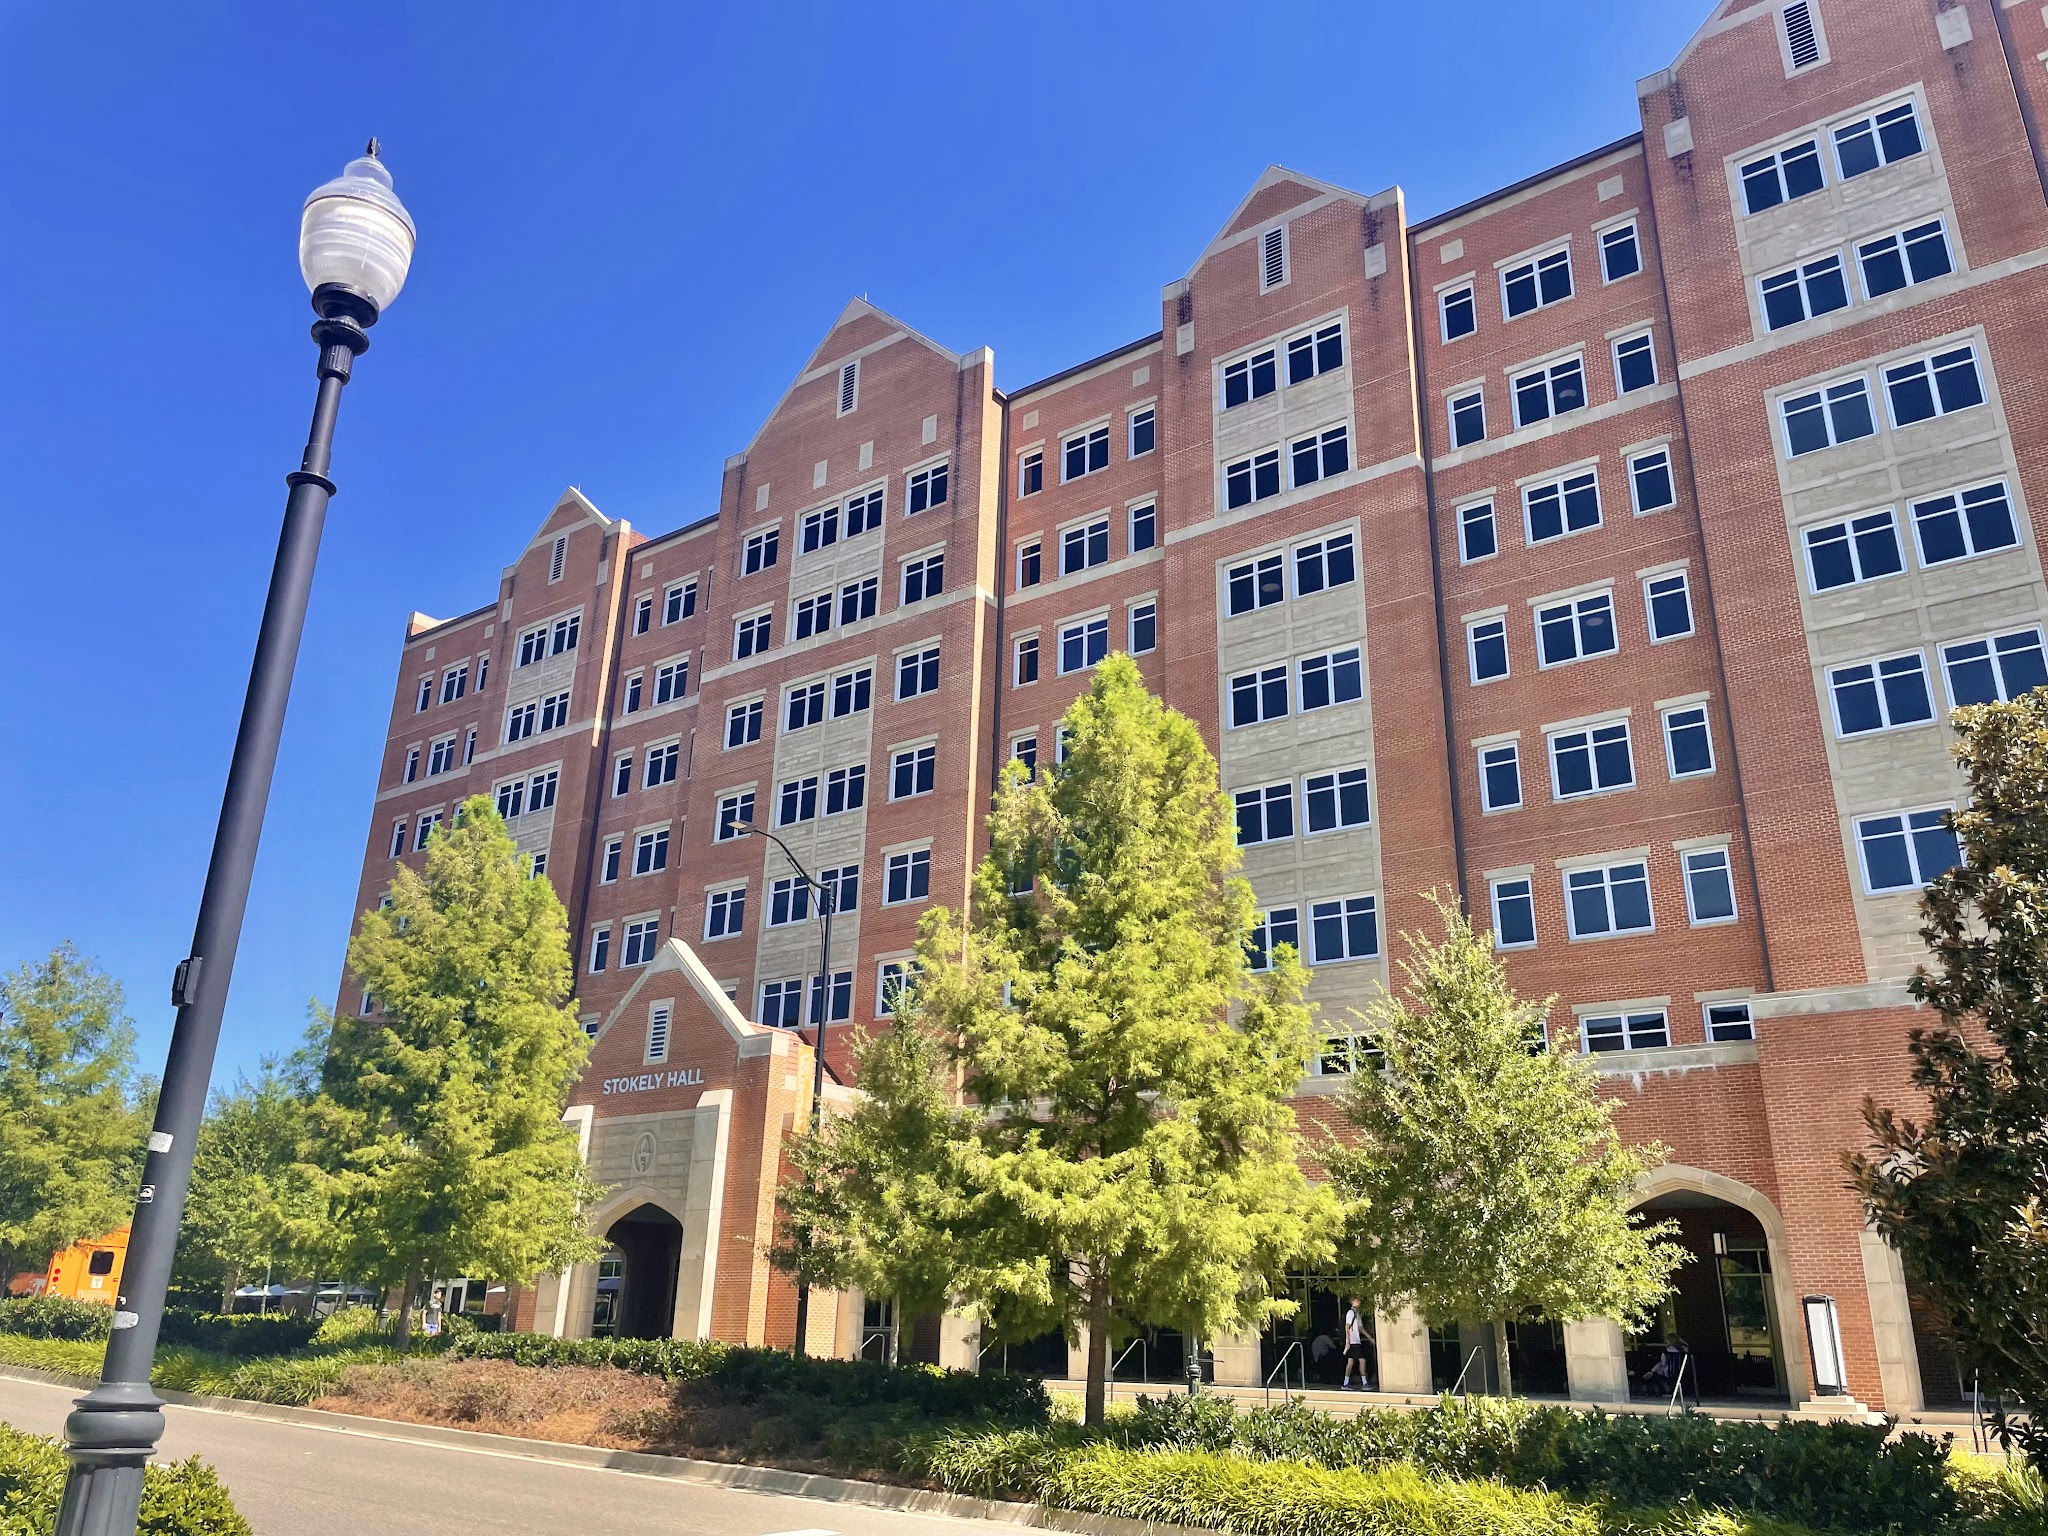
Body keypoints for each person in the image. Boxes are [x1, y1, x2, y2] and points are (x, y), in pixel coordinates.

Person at [1341, 1297, 1376, 1391]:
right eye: (1357, 1300)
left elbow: (1360, 1328)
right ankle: (1364, 1382)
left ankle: (1346, 1383)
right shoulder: (1350, 1313)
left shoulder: (1357, 1313)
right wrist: (1348, 1341)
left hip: (1355, 1340)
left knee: (1351, 1362)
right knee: (1361, 1360)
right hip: (1353, 1341)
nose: (1359, 1302)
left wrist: (1370, 1338)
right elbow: (1347, 1327)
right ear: (1352, 1302)